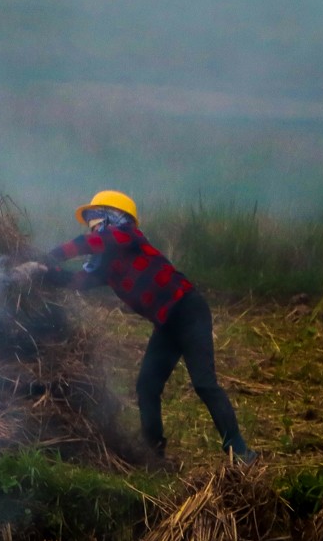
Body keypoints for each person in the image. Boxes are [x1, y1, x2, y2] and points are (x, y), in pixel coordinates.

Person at [14, 190, 253, 462]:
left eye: (94, 217)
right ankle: (153, 454)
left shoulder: (127, 236)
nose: (91, 224)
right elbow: (75, 281)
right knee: (147, 386)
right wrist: (41, 272)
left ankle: (240, 452)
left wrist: (47, 256)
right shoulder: (106, 265)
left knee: (204, 384)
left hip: (188, 311)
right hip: (167, 324)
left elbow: (90, 242)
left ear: (113, 218)